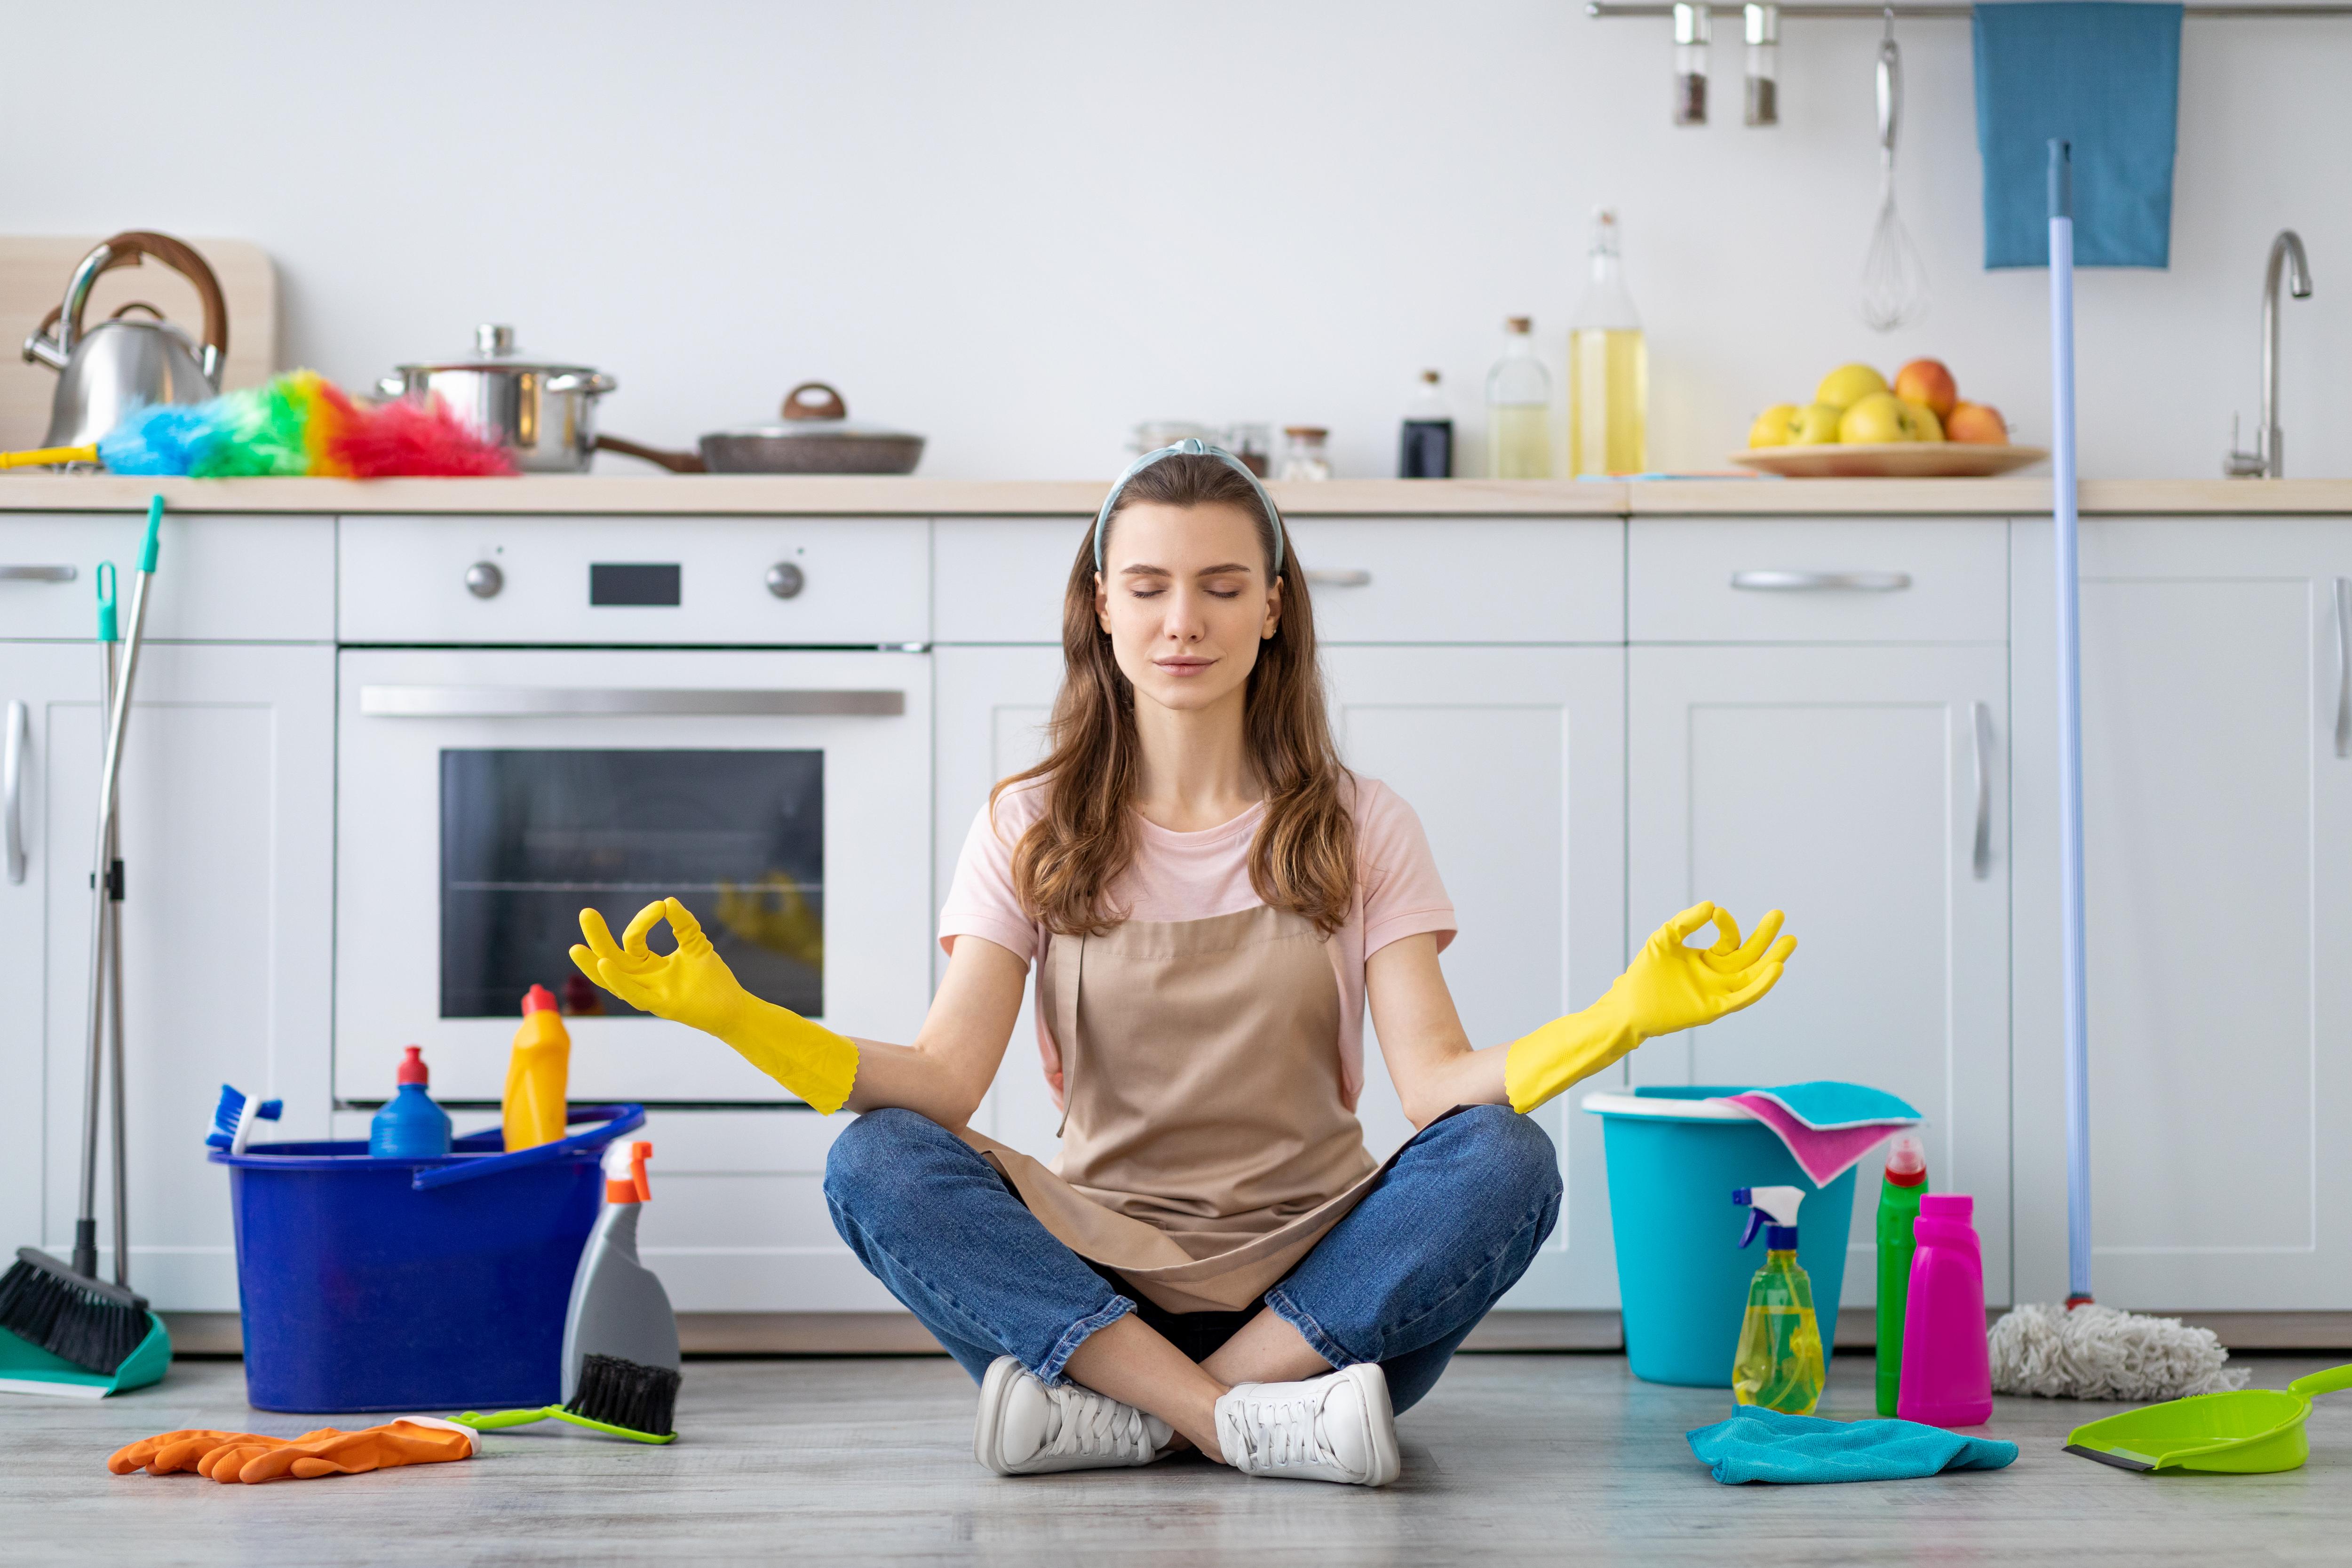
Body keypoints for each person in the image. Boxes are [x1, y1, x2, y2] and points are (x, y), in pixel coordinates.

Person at [570, 443, 1796, 1488]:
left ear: (1273, 606)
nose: (1182, 622)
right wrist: (735, 1012)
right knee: (879, 1161)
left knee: (1507, 1159)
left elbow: (1434, 1092)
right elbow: (943, 1083)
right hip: (1092, 1268)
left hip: (1325, 1281)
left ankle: (1131, 1415)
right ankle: (1233, 1423)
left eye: (1220, 587)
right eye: (1149, 586)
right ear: (1101, 603)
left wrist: (1625, 1015)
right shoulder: (1029, 825)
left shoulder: (1363, 824)